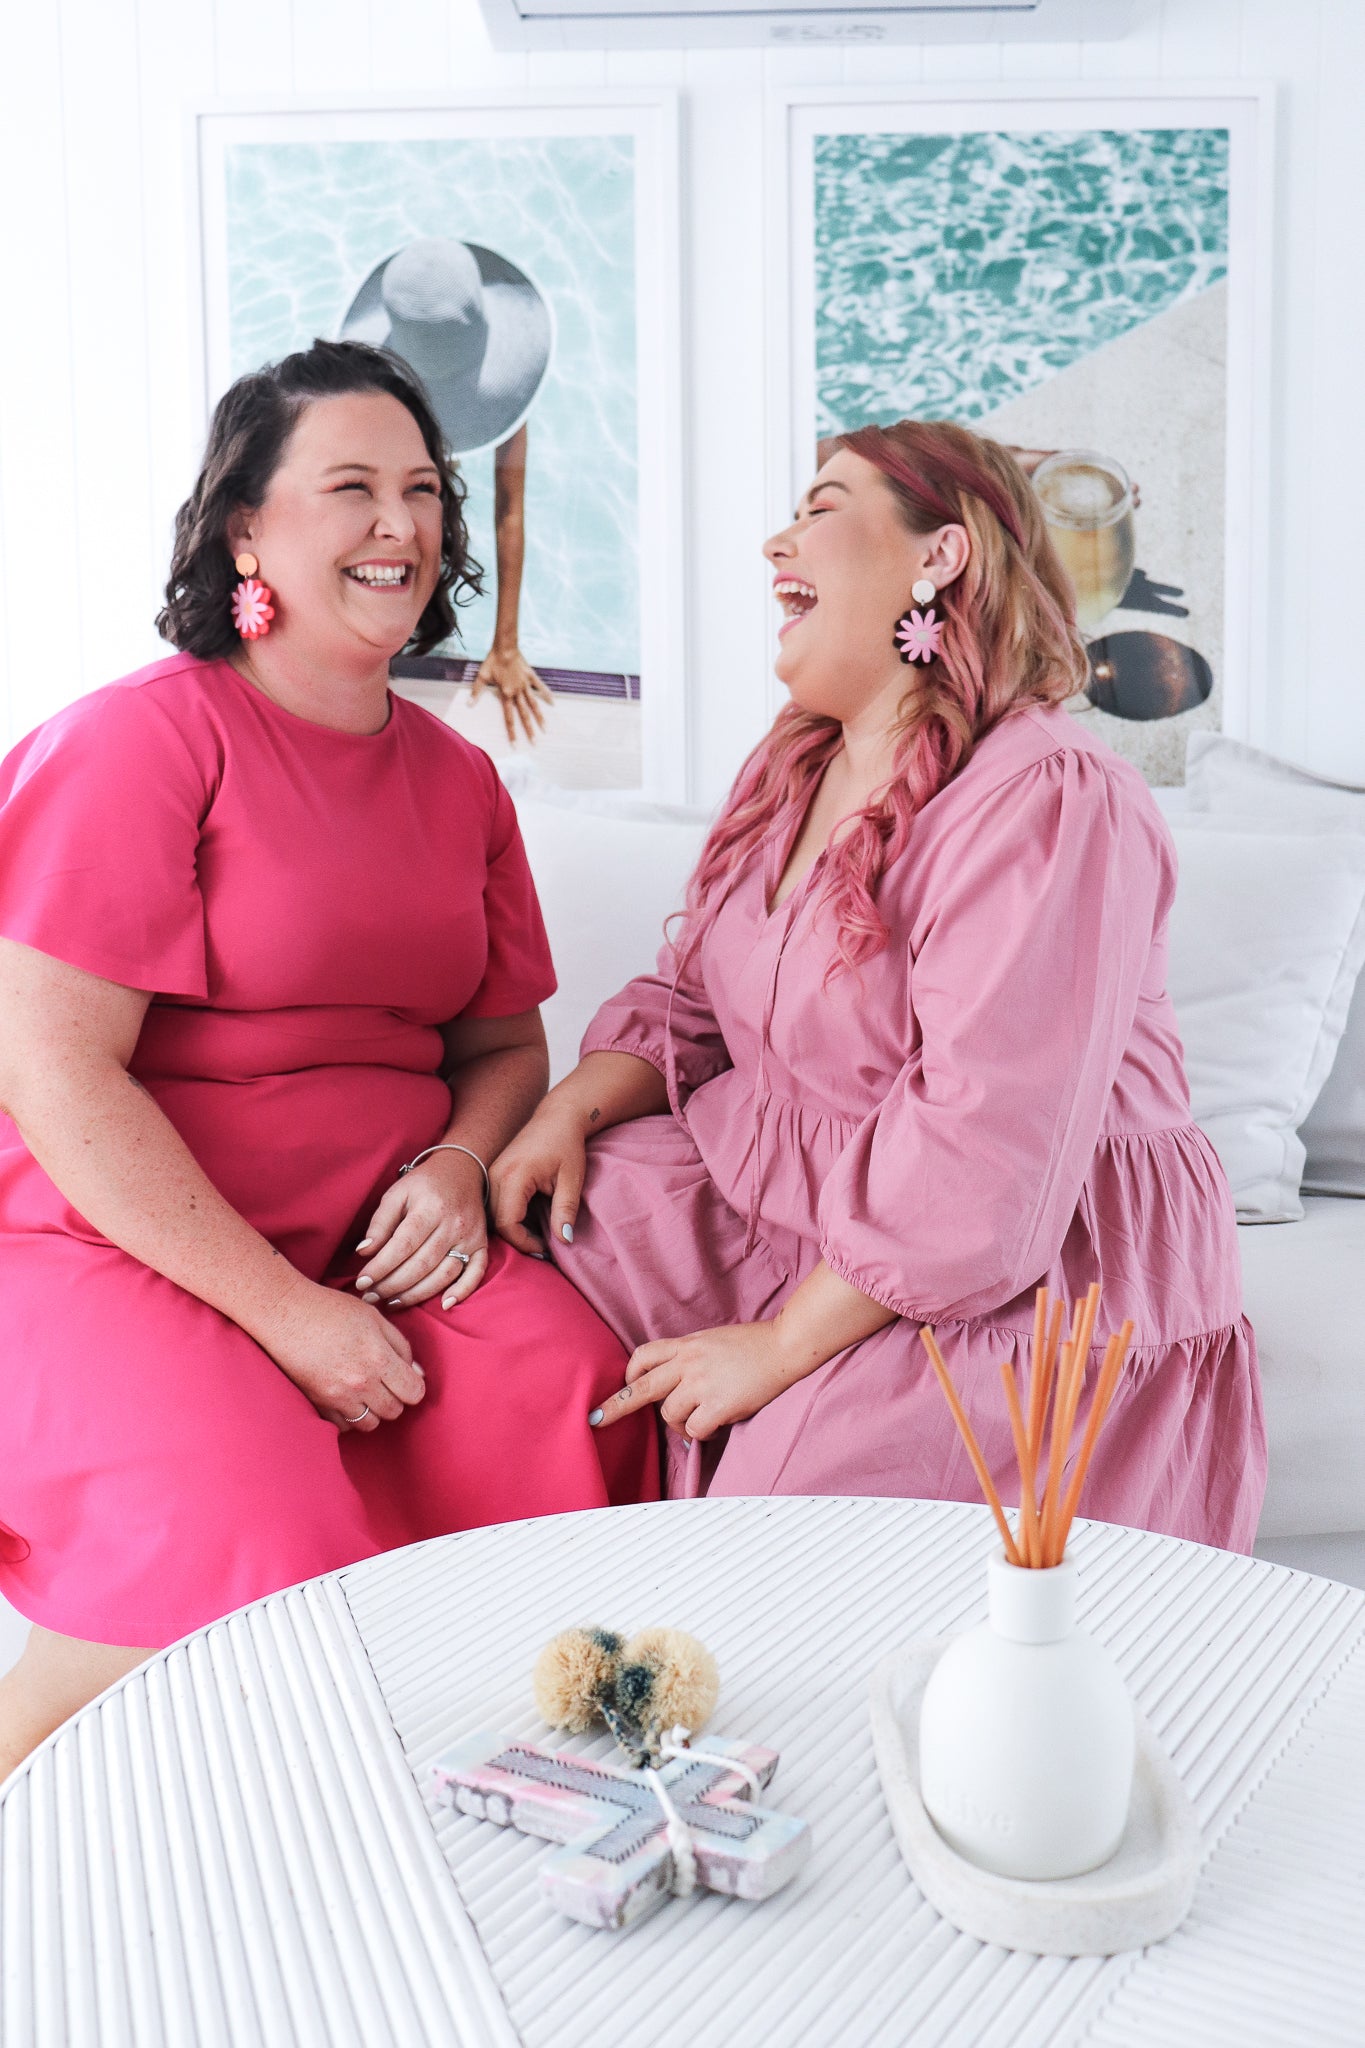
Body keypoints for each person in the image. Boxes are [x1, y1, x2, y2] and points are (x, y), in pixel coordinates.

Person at [0, 339, 654, 1779]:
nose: (400, 523)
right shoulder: (138, 743)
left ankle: (469, 1815)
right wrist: (288, 1318)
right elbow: (55, 1073)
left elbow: (503, 1042)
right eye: (351, 486)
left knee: (575, 1398)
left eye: (423, 489)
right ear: (247, 527)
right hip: (117, 1235)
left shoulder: (461, 778)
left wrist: (460, 1159)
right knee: (240, 1514)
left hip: (378, 1230)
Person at [492, 419, 1266, 1552]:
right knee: (494, 1288)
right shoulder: (796, 761)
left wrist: (778, 1348)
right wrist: (562, 1115)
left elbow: (984, 1149)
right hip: (801, 1207)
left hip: (1014, 1273)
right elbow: (695, 1001)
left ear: (938, 556)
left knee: (772, 1546)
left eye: (819, 510)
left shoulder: (1050, 798)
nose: (776, 544)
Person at [342, 238, 555, 745]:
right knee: (412, 509)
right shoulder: (373, 415)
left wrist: (506, 644)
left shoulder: (499, 391)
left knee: (421, 502)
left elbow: (509, 510)